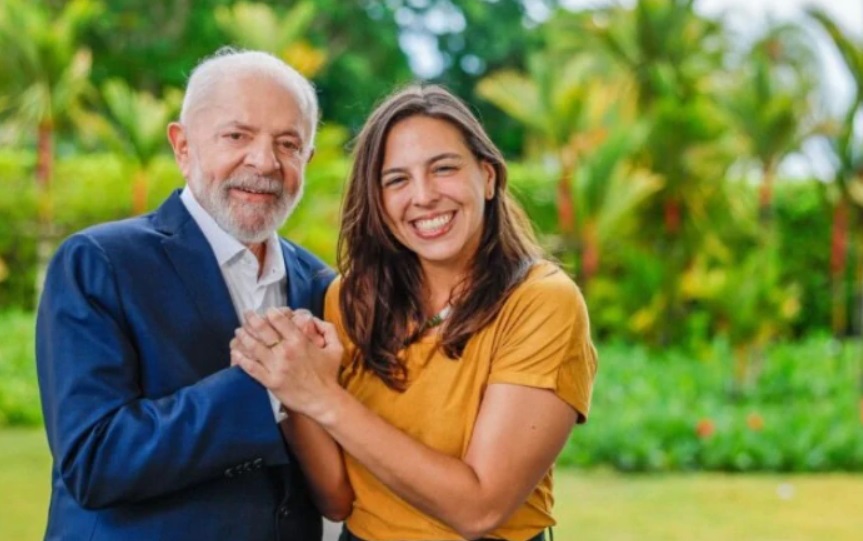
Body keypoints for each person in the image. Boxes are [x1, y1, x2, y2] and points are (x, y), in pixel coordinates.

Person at [232, 84, 598, 541]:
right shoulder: (350, 299)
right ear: (379, 202)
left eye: (443, 169)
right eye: (397, 180)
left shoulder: (540, 301)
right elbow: (337, 499)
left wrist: (322, 395)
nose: (423, 196)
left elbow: (479, 509)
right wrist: (292, 387)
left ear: (487, 177)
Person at [34, 47, 347, 541]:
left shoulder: (322, 285)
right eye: (236, 136)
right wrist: (272, 386)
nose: (264, 161)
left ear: (306, 159)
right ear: (183, 147)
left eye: (288, 144)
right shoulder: (100, 262)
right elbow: (93, 460)